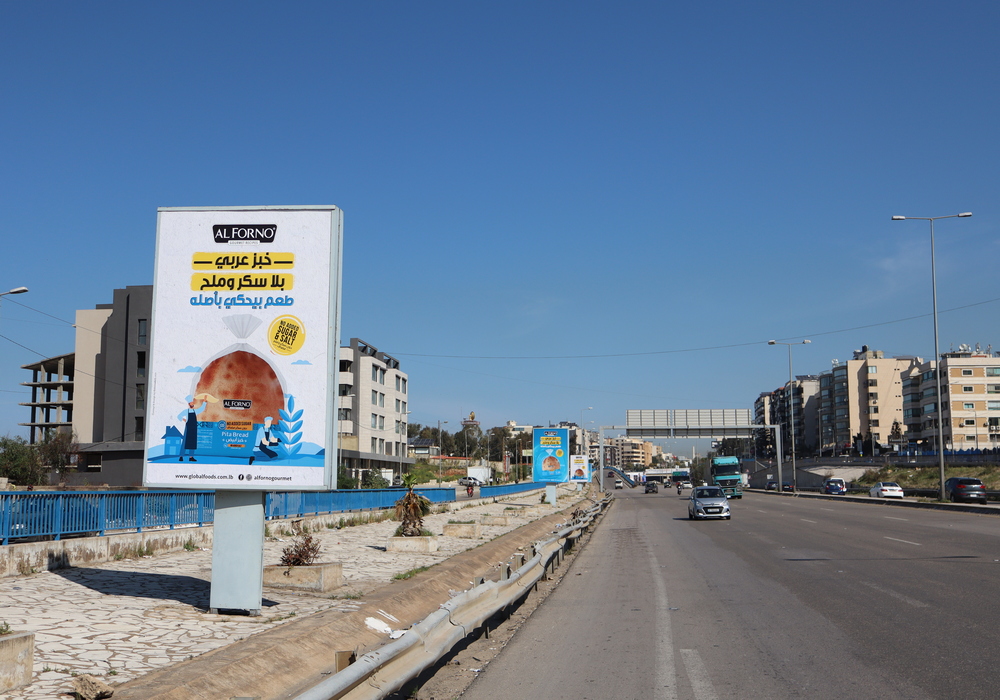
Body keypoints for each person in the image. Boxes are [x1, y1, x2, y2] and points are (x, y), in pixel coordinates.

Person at [177, 394, 212, 461]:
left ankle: (191, 457)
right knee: (185, 442)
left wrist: (204, 401)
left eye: (193, 403)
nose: (192, 404)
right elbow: (179, 416)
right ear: (189, 404)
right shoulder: (186, 411)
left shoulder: (195, 411)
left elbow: (201, 409)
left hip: (193, 428)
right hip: (188, 428)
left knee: (192, 442)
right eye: (191, 403)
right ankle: (181, 456)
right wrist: (184, 420)